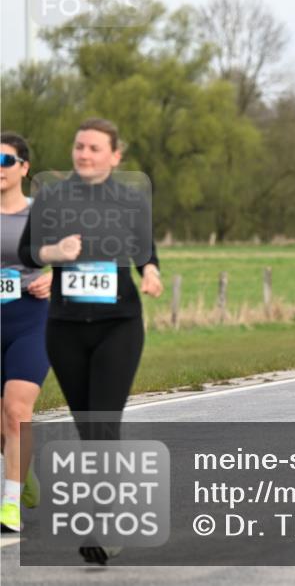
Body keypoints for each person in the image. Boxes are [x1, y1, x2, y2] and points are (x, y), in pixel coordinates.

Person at [17, 118, 163, 562]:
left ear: (115, 156)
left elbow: (145, 249)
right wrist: (55, 254)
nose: (84, 155)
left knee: (102, 418)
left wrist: (152, 272)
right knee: (88, 425)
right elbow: (29, 251)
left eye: (95, 148)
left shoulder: (130, 200)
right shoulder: (53, 198)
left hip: (118, 323)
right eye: (79, 147)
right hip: (64, 326)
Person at [0, 133, 51, 533]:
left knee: (17, 412)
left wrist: (56, 277)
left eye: (5, 160)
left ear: (23, 167)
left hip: (31, 319)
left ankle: (10, 505)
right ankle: (25, 472)